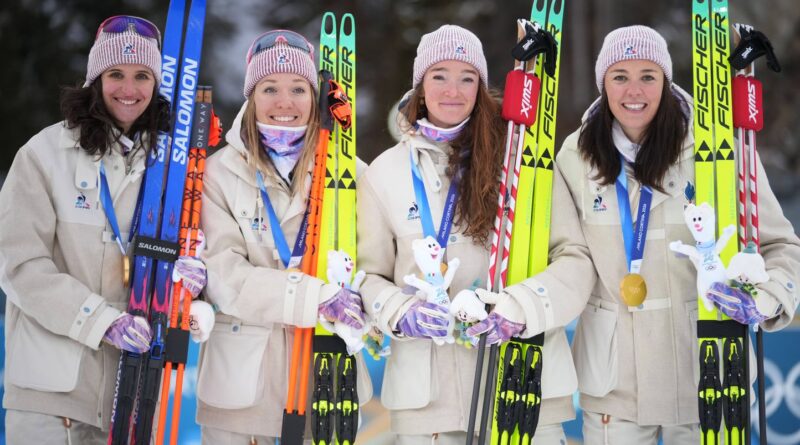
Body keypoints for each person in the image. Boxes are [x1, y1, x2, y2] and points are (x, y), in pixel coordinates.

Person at [467, 25, 800, 443]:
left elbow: (780, 246)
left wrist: (766, 299)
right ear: (603, 84)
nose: (634, 90)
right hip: (613, 384)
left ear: (666, 80)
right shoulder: (574, 157)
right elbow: (566, 258)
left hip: (708, 372)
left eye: (648, 76)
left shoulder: (715, 148)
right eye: (619, 76)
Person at [357, 24, 578, 444]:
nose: (452, 90)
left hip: (522, 384)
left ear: (481, 86)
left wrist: (522, 307)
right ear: (421, 86)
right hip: (428, 402)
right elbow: (368, 277)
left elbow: (573, 257)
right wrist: (399, 312)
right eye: (439, 75)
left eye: (467, 77)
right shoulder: (384, 173)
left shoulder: (522, 159)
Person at [0, 15, 205, 443]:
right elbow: (18, 266)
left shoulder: (170, 169)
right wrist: (101, 321)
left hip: (133, 398)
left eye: (141, 76)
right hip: (50, 398)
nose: (128, 90)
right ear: (95, 78)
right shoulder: (44, 154)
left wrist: (196, 279)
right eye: (116, 74)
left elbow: (186, 256)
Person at [195, 29, 372, 443]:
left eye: (298, 88)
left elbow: (376, 267)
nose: (284, 102)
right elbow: (222, 273)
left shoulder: (353, 175)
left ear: (315, 98)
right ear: (251, 96)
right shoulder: (218, 174)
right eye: (269, 88)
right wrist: (314, 297)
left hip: (327, 386)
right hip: (239, 392)